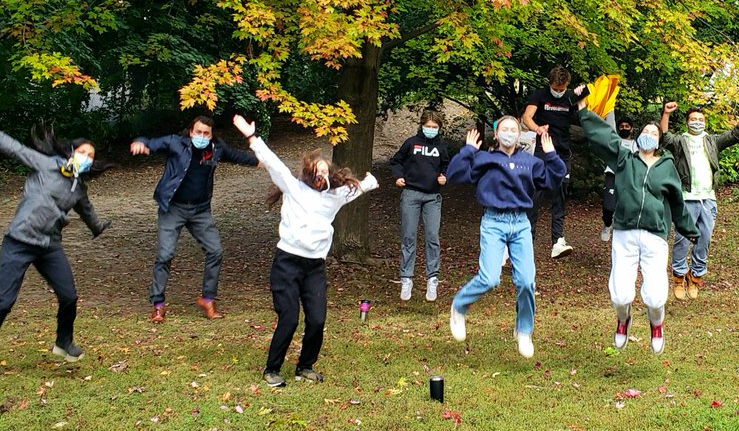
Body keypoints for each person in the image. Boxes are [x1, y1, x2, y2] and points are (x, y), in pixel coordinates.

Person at [0, 103, 112, 378]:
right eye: (82, 152)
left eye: (91, 156)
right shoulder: (46, 164)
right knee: (3, 303)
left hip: (49, 247)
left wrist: (98, 227)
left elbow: (87, 211)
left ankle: (64, 342)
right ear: (71, 152)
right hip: (18, 242)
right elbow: (10, 145)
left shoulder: (79, 187)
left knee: (69, 296)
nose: (86, 157)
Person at [231, 115, 378, 388]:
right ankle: (272, 369)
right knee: (289, 318)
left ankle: (305, 366)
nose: (322, 176)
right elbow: (273, 164)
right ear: (309, 173)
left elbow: (355, 190)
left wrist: (370, 181)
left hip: (314, 268)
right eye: (317, 172)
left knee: (317, 319)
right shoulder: (293, 187)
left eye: (326, 172)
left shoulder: (333, 197)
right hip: (286, 264)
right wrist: (252, 138)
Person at [577, 97, 697, 354]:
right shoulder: (624, 159)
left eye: (654, 133)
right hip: (625, 232)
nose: (649, 135)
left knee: (655, 296)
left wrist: (689, 230)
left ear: (658, 140)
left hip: (655, 236)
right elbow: (603, 137)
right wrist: (582, 110)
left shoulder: (667, 167)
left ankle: (657, 325)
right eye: (645, 131)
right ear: (638, 136)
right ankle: (623, 319)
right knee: (620, 295)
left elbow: (677, 202)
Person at [446, 118, 568, 359]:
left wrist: (552, 154)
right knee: (490, 278)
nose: (510, 133)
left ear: (520, 134)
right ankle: (459, 307)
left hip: (521, 223)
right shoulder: (484, 159)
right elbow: (455, 174)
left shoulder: (529, 162)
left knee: (526, 281)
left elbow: (555, 180)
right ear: (496, 133)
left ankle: (524, 330)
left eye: (514, 129)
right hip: (493, 222)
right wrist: (468, 150)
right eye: (505, 129)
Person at [131, 116, 259, 322]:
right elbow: (152, 142)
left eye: (205, 133)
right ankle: (158, 306)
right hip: (172, 208)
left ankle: (208, 299)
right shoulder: (176, 143)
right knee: (165, 255)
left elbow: (240, 156)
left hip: (200, 210)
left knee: (215, 251)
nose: (201, 136)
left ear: (211, 135)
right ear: (190, 132)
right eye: (197, 132)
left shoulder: (217, 148)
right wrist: (141, 143)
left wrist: (265, 163)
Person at [659, 100, 739, 300]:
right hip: (686, 198)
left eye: (700, 119)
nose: (697, 122)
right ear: (687, 122)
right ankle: (678, 276)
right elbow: (665, 137)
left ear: (705, 122)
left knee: (704, 238)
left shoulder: (712, 141)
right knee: (682, 239)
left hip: (708, 199)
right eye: (693, 119)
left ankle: (695, 277)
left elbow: (736, 135)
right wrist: (666, 114)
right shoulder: (680, 141)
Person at [390, 109, 449, 302]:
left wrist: (444, 177)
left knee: (432, 236)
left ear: (439, 128)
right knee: (408, 236)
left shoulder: (441, 147)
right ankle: (406, 278)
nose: (431, 130)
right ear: (422, 126)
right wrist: (398, 176)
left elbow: (446, 166)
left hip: (433, 196)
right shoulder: (411, 143)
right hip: (411, 194)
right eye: (428, 127)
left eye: (434, 127)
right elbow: (396, 161)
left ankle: (432, 278)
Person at [521, 66, 579, 258]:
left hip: (562, 153)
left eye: (563, 88)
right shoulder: (540, 94)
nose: (559, 91)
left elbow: (588, 115)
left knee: (560, 193)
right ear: (550, 83)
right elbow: (527, 117)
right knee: (534, 195)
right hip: (541, 151)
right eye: (557, 88)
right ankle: (526, 241)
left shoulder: (571, 96)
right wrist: (538, 129)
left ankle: (558, 241)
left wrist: (582, 97)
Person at [600, 114, 637, 242]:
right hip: (612, 176)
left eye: (627, 126)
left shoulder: (636, 145)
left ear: (631, 129)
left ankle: (623, 234)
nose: (624, 128)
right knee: (608, 207)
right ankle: (607, 224)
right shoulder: (614, 140)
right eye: (621, 126)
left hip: (628, 178)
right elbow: (609, 123)